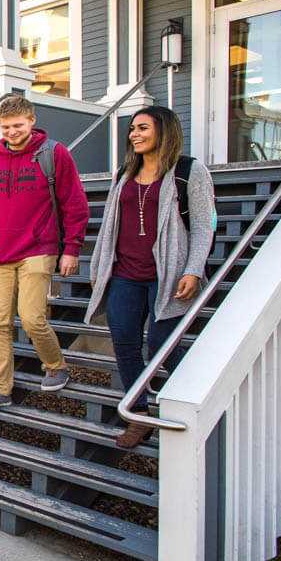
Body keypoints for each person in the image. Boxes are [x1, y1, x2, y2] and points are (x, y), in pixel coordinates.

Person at [0, 92, 89, 411]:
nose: (12, 132)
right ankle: (0, 388)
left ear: (32, 121)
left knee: (32, 317)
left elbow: (75, 205)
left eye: (18, 125)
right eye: (6, 127)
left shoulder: (54, 154)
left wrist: (72, 249)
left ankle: (56, 366)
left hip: (39, 247)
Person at [85, 106, 215, 449]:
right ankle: (138, 415)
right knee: (126, 344)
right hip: (124, 274)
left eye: (142, 128)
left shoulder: (190, 171)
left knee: (162, 346)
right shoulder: (124, 173)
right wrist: (101, 268)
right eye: (132, 129)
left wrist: (192, 268)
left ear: (164, 130)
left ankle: (191, 407)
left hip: (168, 274)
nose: (134, 134)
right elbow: (111, 226)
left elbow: (204, 225)